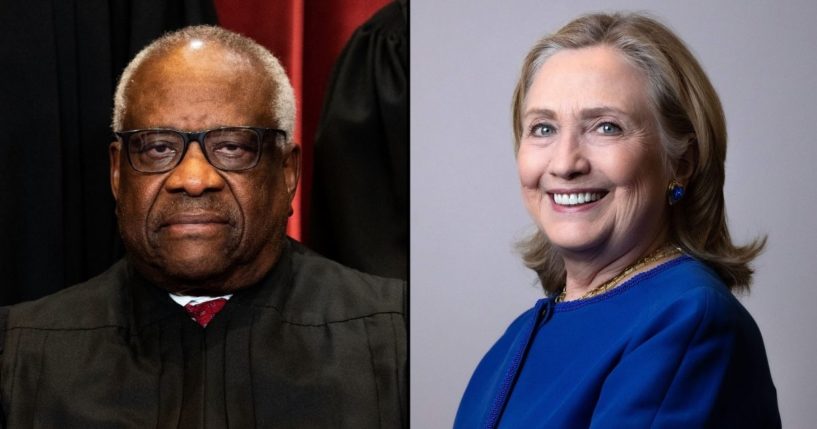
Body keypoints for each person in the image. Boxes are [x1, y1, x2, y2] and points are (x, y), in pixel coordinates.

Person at [0, 26, 406, 428]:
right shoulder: (20, 354)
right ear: (117, 174)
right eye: (158, 147)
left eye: (231, 146)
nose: (193, 179)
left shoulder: (399, 340)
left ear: (287, 172)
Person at [454, 13, 780, 428]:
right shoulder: (518, 337)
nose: (565, 162)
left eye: (606, 127)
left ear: (681, 162)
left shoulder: (689, 321)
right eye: (543, 128)